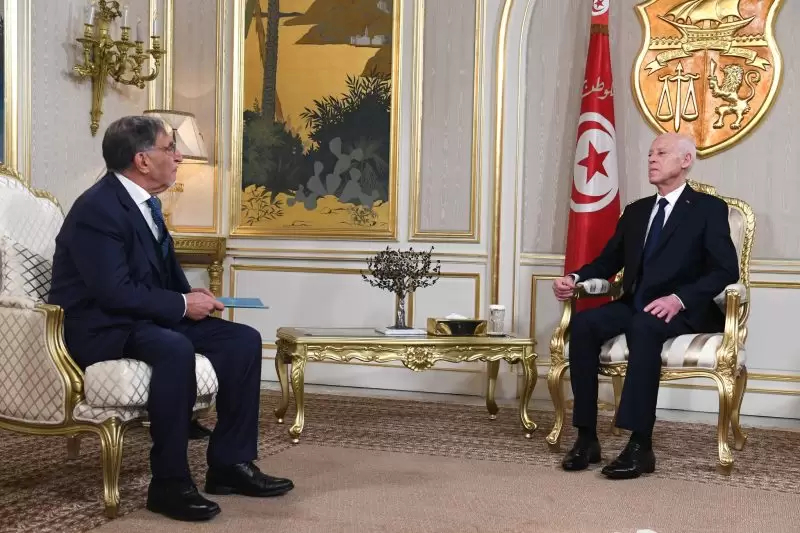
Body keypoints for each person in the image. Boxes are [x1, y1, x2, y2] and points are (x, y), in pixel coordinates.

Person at [48, 115, 294, 521]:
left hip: (140, 318)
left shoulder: (147, 203)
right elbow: (113, 292)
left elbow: (158, 271)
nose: (178, 157)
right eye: (169, 148)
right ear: (142, 160)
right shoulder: (97, 208)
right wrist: (181, 306)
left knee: (242, 341)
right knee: (174, 348)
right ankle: (168, 483)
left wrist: (191, 295)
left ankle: (230, 465)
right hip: (101, 326)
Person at [551, 132, 739, 479]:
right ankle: (587, 437)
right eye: (650, 153)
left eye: (661, 153)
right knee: (585, 325)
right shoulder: (636, 211)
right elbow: (608, 261)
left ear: (686, 160)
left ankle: (640, 445)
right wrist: (575, 278)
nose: (652, 159)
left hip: (684, 309)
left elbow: (726, 270)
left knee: (644, 326)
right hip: (635, 303)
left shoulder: (708, 209)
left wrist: (679, 299)